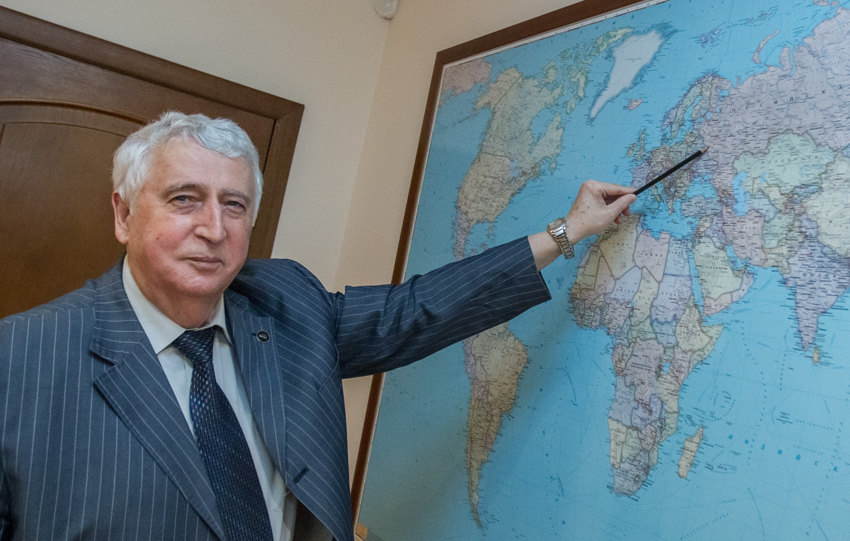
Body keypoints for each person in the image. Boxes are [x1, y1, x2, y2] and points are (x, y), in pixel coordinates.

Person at [0, 112, 635, 541]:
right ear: (123, 215)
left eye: (234, 205)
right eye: (183, 198)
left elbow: (417, 309)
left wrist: (569, 230)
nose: (213, 228)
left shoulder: (285, 302)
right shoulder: (20, 356)